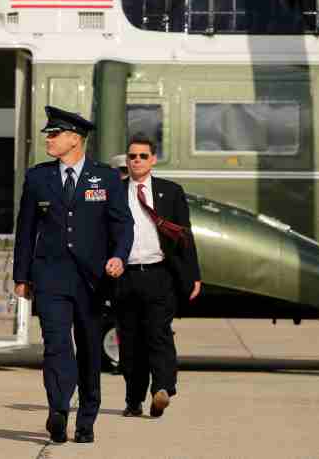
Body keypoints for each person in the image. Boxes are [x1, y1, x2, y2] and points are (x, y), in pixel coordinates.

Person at [13, 106, 133, 444]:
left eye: (55, 134)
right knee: (56, 344)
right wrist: (21, 276)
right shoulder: (38, 177)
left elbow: (123, 224)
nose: (48, 140)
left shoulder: (106, 177)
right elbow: (26, 230)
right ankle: (59, 410)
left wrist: (119, 256)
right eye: (49, 134)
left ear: (75, 139)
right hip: (50, 275)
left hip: (92, 279)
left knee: (90, 349)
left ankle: (87, 419)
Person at [113, 138, 201, 419]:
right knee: (130, 342)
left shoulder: (171, 192)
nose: (137, 160)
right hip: (125, 277)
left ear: (153, 160)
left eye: (143, 156)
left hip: (159, 274)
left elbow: (184, 236)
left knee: (159, 334)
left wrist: (193, 275)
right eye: (132, 156)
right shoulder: (115, 192)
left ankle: (162, 388)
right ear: (127, 161)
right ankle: (134, 399)